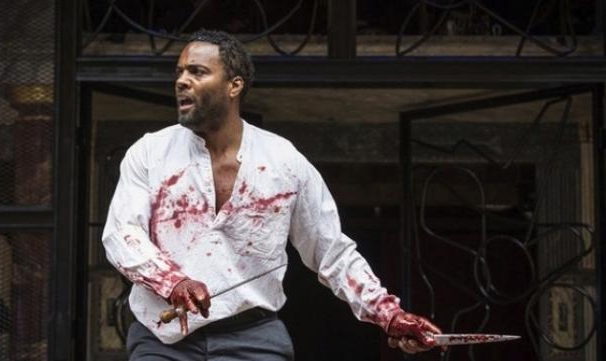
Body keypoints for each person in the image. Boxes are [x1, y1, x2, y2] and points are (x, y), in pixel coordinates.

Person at [102, 29, 442, 361]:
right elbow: (121, 235)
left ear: (234, 85)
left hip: (252, 339)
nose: (181, 81)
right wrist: (174, 282)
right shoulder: (149, 152)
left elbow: (331, 252)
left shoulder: (284, 162)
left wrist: (389, 316)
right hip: (163, 339)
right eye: (179, 72)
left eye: (197, 71)